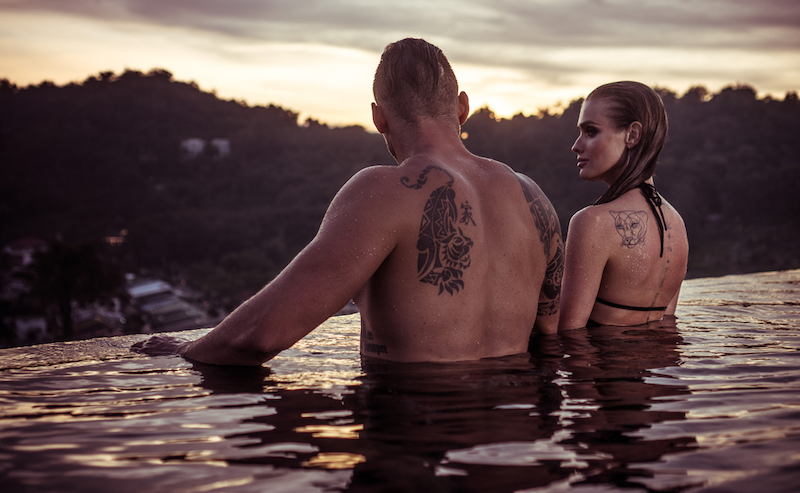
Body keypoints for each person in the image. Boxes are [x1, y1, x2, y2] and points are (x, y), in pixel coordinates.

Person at [133, 38, 563, 365]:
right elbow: (550, 330)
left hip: (416, 447)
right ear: (463, 107)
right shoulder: (533, 197)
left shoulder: (385, 191)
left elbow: (260, 335)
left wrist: (185, 349)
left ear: (378, 117)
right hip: (515, 448)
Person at [558, 81, 688, 331]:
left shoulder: (592, 222)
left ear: (632, 135)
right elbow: (666, 327)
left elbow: (568, 334)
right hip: (659, 370)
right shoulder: (676, 225)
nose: (576, 145)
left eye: (591, 131)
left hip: (600, 368)